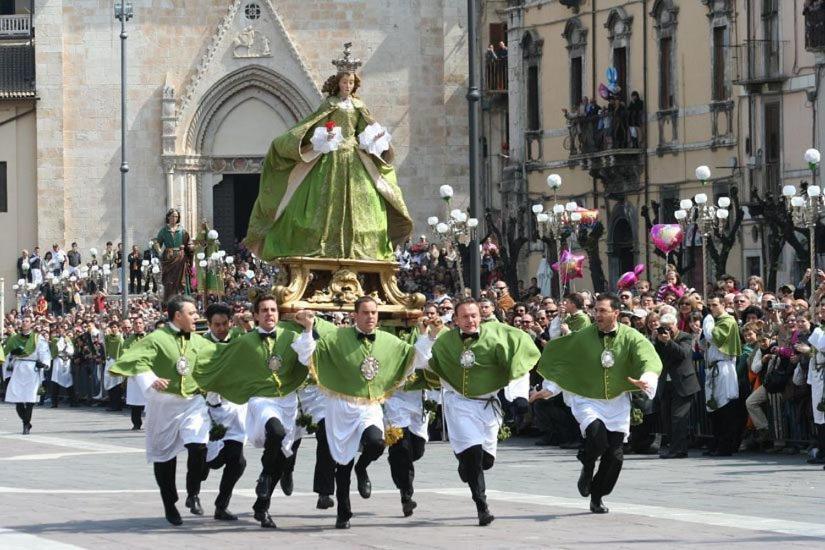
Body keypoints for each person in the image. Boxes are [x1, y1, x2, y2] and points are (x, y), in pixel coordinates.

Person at [243, 43, 412, 262]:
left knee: (367, 200)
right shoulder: (329, 104)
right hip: (331, 157)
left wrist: (376, 138)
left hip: (354, 158)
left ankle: (361, 245)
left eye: (351, 82)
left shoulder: (359, 106)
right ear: (338, 82)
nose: (348, 85)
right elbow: (311, 127)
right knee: (322, 202)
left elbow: (365, 130)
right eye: (344, 81)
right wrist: (324, 137)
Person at [193, 296, 317, 529]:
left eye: (273, 310)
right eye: (264, 310)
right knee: (276, 432)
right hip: (261, 400)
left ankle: (262, 505)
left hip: (287, 400)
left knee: (282, 455)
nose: (269, 313)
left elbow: (307, 357)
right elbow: (221, 359)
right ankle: (262, 477)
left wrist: (308, 329)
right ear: (256, 315)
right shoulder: (246, 341)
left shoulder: (291, 336)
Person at [537, 293, 662, 514]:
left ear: (616, 313)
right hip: (587, 398)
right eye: (596, 310)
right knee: (596, 436)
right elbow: (564, 362)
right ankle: (587, 464)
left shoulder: (632, 336)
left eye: (603, 311)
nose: (598, 315)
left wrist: (647, 378)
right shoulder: (582, 336)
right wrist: (550, 388)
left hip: (616, 400)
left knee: (615, 455)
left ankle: (597, 495)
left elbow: (648, 357)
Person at [426, 298, 540, 526]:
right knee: (474, 454)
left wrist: (518, 397)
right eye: (465, 317)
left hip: (488, 404)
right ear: (455, 319)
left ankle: (465, 462)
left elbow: (517, 360)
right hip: (459, 403)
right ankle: (482, 506)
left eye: (474, 316)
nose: (470, 321)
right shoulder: (444, 342)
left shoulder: (496, 336)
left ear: (480, 316)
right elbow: (430, 364)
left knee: (485, 461)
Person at [311, 296, 419, 529]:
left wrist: (429, 334)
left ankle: (363, 467)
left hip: (369, 404)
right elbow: (311, 354)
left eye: (374, 312)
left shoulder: (387, 340)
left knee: (376, 442)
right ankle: (343, 512)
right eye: (366, 312)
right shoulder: (336, 338)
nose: (371, 317)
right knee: (343, 462)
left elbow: (413, 354)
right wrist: (308, 330)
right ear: (355, 315)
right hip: (341, 404)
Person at [108, 295, 217, 526]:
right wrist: (150, 379)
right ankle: (169, 502)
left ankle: (193, 493)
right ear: (178, 316)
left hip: (193, 401)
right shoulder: (156, 338)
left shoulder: (199, 341)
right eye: (192, 313)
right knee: (164, 455)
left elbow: (221, 357)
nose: (196, 316)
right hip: (164, 403)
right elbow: (135, 360)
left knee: (198, 446)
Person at [384, 318, 443, 517]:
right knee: (401, 447)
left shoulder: (425, 331)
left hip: (418, 395)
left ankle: (397, 462)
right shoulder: (383, 331)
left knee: (416, 450)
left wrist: (427, 334)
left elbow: (428, 359)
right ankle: (406, 495)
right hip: (393, 395)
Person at [198, 302, 247, 521]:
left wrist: (246, 324)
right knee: (205, 461)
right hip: (206, 409)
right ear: (208, 324)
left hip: (233, 407)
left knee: (238, 461)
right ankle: (194, 491)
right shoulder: (199, 343)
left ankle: (221, 505)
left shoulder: (238, 339)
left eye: (224, 324)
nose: (221, 328)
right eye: (216, 324)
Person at [654, 313, 700, 458]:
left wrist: (668, 342)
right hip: (666, 384)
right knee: (667, 418)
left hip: (683, 384)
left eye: (670, 327)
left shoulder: (685, 337)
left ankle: (678, 450)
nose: (667, 331)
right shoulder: (660, 340)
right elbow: (657, 356)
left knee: (678, 418)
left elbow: (683, 353)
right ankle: (674, 448)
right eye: (664, 328)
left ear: (676, 324)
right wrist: (659, 341)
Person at [702, 294, 742, 457]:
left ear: (723, 305)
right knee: (713, 407)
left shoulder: (727, 321)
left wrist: (707, 321)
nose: (712, 308)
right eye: (710, 305)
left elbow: (713, 337)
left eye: (715, 305)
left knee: (725, 406)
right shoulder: (716, 322)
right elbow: (704, 343)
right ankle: (716, 441)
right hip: (712, 368)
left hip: (723, 367)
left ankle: (726, 445)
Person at [3, 316, 52, 434]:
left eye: (27, 321)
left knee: (30, 399)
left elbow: (44, 352)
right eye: (23, 321)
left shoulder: (37, 338)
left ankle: (25, 425)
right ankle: (26, 422)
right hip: (18, 368)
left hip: (32, 369)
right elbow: (5, 352)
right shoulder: (14, 339)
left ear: (31, 324)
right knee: (17, 399)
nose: (24, 323)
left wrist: (44, 364)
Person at [156, 209, 192, 303]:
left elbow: (188, 243)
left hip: (180, 257)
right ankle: (169, 300)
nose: (174, 218)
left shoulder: (182, 231)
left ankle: (181, 299)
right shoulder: (164, 231)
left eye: (176, 216)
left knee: (181, 280)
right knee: (169, 280)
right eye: (172, 216)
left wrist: (190, 247)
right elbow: (157, 243)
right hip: (168, 257)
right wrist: (158, 250)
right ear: (168, 217)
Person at [125, 317, 148, 429]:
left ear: (144, 325)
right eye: (136, 323)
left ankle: (151, 423)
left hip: (147, 371)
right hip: (134, 372)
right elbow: (125, 355)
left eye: (140, 323)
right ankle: (136, 423)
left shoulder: (150, 338)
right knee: (135, 399)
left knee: (150, 399)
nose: (138, 325)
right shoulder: (129, 340)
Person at [49, 325, 75, 407]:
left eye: (62, 330)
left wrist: (67, 345)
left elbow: (71, 350)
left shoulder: (68, 339)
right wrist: (62, 341)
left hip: (66, 361)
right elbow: (56, 349)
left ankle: (73, 401)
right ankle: (54, 402)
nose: (61, 331)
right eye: (59, 330)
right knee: (55, 381)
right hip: (58, 361)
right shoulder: (55, 340)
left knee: (68, 380)